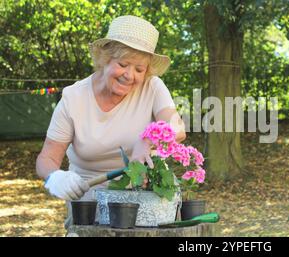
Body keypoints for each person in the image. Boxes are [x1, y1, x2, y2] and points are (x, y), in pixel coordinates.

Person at [35, 15, 186, 223]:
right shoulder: (74, 98)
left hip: (146, 195)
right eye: (123, 64)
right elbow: (46, 159)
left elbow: (177, 128)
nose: (130, 75)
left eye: (139, 69)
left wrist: (147, 139)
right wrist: (55, 177)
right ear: (105, 59)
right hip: (91, 201)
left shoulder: (152, 87)